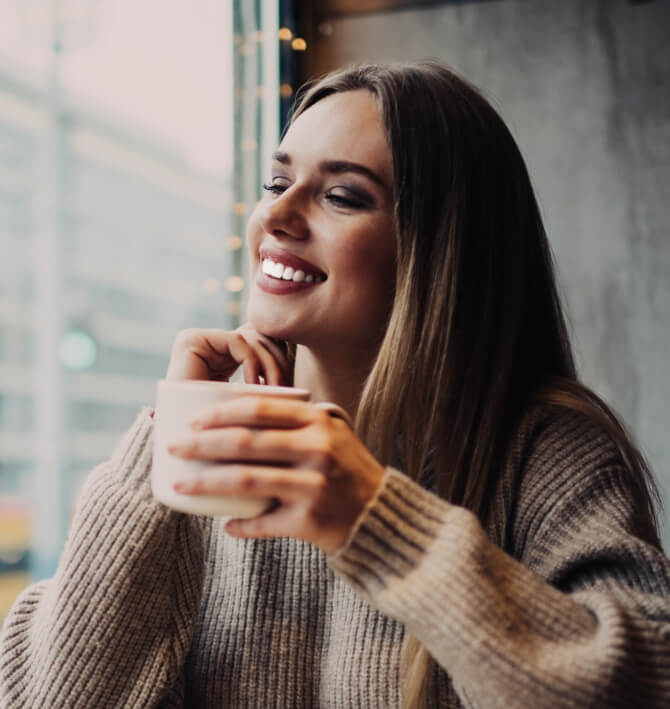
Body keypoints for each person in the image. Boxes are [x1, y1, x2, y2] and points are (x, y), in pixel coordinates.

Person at [1, 61, 669, 709]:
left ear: (440, 250)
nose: (278, 217)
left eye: (342, 195)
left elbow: (639, 686)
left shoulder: (547, 451)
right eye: (275, 182)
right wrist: (157, 451)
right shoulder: (218, 445)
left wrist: (376, 520)